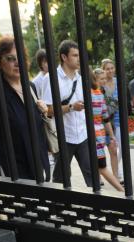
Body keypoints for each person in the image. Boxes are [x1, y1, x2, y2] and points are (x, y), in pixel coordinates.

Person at [0, 36, 50, 181]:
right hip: (14, 173)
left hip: (40, 167)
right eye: (10, 58)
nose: (17, 63)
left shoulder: (30, 87)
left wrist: (43, 111)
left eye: (20, 57)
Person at [42, 39, 93, 187]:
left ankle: (98, 207)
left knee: (91, 174)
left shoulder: (81, 78)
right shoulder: (51, 79)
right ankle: (61, 207)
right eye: (75, 55)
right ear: (64, 57)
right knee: (62, 177)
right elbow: (48, 110)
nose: (79, 58)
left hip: (82, 134)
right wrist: (70, 107)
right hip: (63, 137)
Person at [90, 69, 123, 192]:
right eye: (101, 79)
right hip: (100, 133)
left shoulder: (92, 93)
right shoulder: (99, 93)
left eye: (105, 78)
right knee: (100, 165)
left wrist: (112, 135)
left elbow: (105, 117)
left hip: (93, 134)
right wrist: (112, 135)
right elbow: (106, 117)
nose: (104, 81)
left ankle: (120, 190)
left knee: (100, 166)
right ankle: (120, 190)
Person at [101, 58, 121, 182]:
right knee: (99, 150)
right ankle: (99, 176)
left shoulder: (118, 82)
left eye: (112, 68)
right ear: (103, 71)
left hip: (116, 120)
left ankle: (115, 176)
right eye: (107, 69)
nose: (110, 71)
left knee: (114, 149)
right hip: (102, 121)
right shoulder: (100, 84)